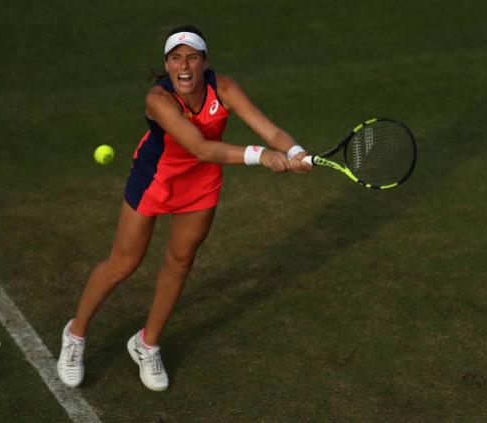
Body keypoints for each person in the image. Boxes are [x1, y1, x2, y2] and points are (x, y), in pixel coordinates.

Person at [57, 25, 311, 391]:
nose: (184, 65)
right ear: (167, 65)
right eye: (176, 58)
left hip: (202, 184)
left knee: (180, 261)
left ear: (204, 62)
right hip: (155, 179)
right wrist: (262, 157)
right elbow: (200, 147)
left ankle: (147, 343)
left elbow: (271, 131)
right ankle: (76, 334)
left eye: (192, 57)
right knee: (124, 263)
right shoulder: (157, 100)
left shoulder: (223, 88)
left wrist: (295, 152)